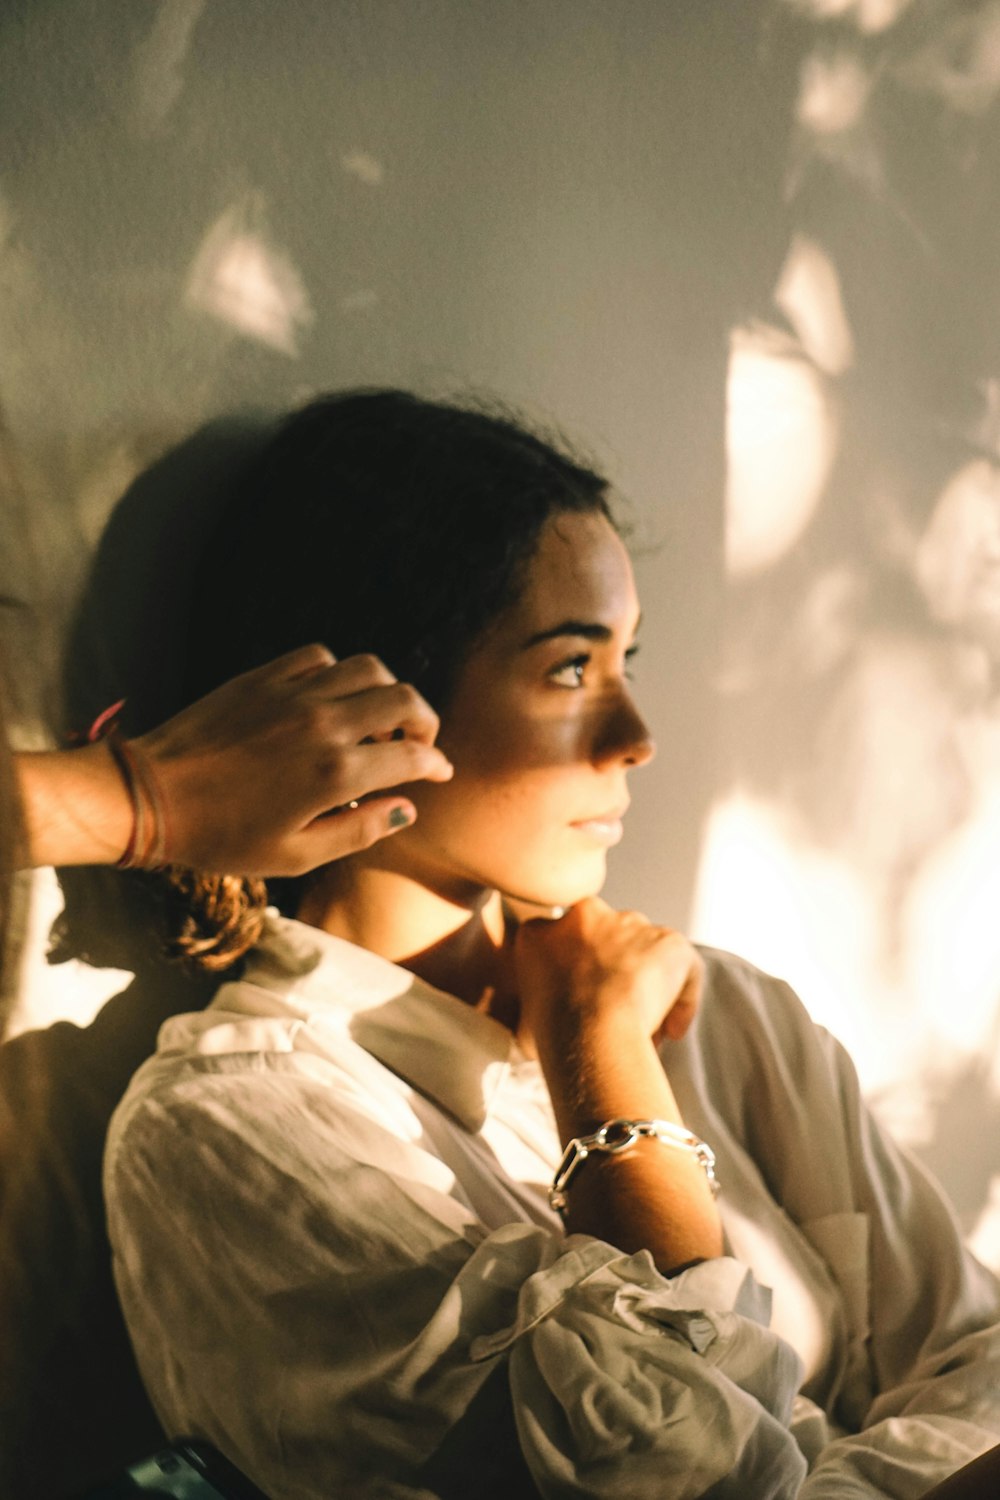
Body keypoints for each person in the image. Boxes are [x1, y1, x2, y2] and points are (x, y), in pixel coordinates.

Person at [103, 390, 1000, 1499]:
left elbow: (979, 1356)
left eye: (627, 661)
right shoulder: (226, 1132)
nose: (636, 737)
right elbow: (689, 1479)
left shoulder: (718, 1014)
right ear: (361, 709)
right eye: (571, 669)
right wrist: (603, 1063)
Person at [0, 641, 452, 1497]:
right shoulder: (220, 1113)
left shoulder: (708, 999)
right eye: (571, 667)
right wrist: (139, 798)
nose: (635, 740)